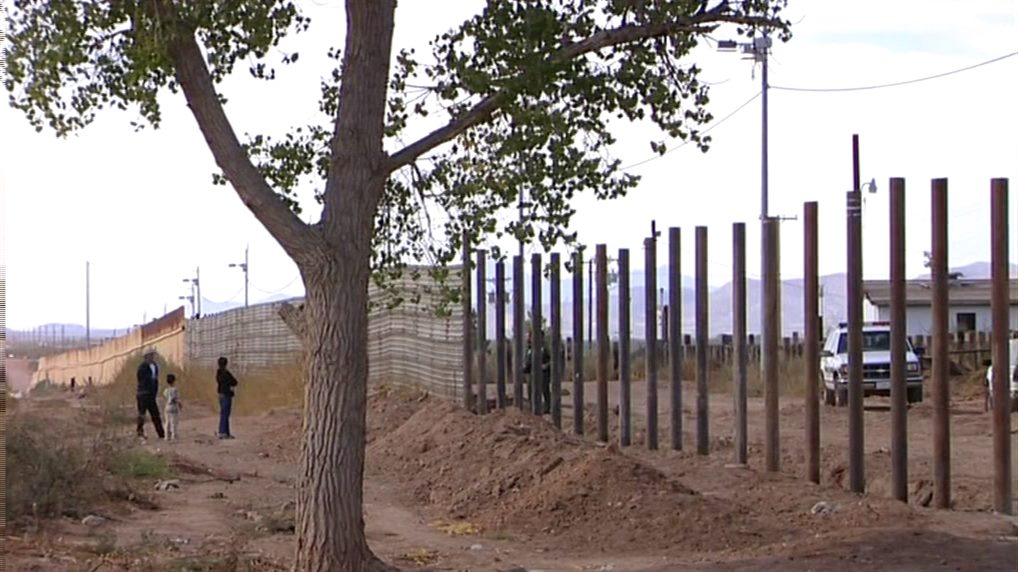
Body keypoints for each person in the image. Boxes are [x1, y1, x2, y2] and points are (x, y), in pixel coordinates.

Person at [136, 350, 165, 440]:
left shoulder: (155, 366)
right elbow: (141, 380)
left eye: (152, 355)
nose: (152, 357)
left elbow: (155, 380)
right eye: (150, 355)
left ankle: (161, 433)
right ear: (146, 357)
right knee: (142, 414)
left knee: (155, 414)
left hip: (151, 395)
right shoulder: (142, 367)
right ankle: (140, 431)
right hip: (143, 394)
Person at [215, 356, 238, 439]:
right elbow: (234, 382)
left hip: (220, 394)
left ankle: (226, 433)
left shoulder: (218, 373)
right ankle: (222, 432)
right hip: (226, 394)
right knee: (225, 414)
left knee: (224, 413)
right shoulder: (226, 373)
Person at [163, 374, 182, 441]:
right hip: (173, 407)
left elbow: (165, 397)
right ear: (174, 381)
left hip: (167, 406)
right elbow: (176, 399)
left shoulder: (166, 390)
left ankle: (166, 436)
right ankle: (174, 435)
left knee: (167, 422)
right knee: (174, 422)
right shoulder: (175, 390)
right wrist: (180, 404)